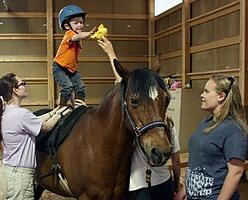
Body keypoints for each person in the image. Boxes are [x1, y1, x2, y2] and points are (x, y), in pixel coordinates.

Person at [98, 37, 182, 200]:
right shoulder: (145, 121)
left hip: (152, 184)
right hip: (146, 184)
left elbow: (176, 159)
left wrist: (177, 185)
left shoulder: (163, 124)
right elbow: (122, 82)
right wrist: (111, 53)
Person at [0, 73, 71, 200]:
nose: (25, 86)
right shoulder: (22, 114)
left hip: (9, 172)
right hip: (21, 177)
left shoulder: (8, 111)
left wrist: (55, 111)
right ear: (15, 90)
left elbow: (36, 120)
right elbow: (46, 127)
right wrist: (64, 112)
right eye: (23, 83)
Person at [179, 75, 248, 200]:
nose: (201, 95)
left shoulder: (233, 129)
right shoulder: (206, 121)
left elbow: (236, 172)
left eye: (206, 91)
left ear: (221, 96)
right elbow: (197, 163)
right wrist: (184, 191)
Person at [53, 4, 96, 108]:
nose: (80, 25)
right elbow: (78, 36)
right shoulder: (69, 33)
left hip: (70, 69)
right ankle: (61, 107)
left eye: (81, 22)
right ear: (68, 26)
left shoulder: (77, 38)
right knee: (67, 87)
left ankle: (79, 107)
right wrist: (89, 34)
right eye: (76, 23)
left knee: (80, 86)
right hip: (59, 67)